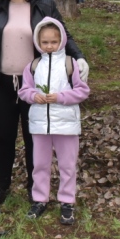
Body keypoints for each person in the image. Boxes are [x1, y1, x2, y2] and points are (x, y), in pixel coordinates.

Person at [0, 0, 90, 205]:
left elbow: (64, 35)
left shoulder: (44, 6)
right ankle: (3, 186)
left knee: (33, 137)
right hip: (4, 84)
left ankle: (34, 188)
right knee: (5, 136)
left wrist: (79, 58)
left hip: (35, 85)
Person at [16, 18, 90, 224]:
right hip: (40, 124)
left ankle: (67, 201)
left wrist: (60, 97)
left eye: (54, 42)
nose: (49, 46)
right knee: (40, 164)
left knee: (67, 164)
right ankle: (40, 199)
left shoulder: (70, 64)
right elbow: (24, 90)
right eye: (45, 42)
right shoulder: (33, 65)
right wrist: (33, 96)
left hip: (66, 125)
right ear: (38, 42)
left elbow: (82, 91)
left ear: (62, 41)